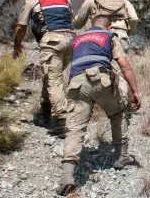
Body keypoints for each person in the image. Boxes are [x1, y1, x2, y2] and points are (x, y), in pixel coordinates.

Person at [57, 15, 142, 196]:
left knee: (75, 129)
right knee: (117, 113)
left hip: (77, 83)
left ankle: (67, 176)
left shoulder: (77, 39)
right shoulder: (110, 37)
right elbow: (124, 65)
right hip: (101, 80)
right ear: (109, 26)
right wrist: (135, 91)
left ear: (90, 26)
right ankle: (121, 157)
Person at [13, 0, 76, 136]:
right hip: (71, 41)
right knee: (50, 76)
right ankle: (45, 110)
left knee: (53, 79)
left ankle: (60, 121)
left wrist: (17, 45)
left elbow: (21, 26)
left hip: (52, 41)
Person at [73, 0, 139, 53]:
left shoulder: (91, 0)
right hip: (120, 37)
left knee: (100, 64)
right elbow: (134, 18)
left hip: (99, 38)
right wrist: (126, 33)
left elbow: (78, 23)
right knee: (121, 64)